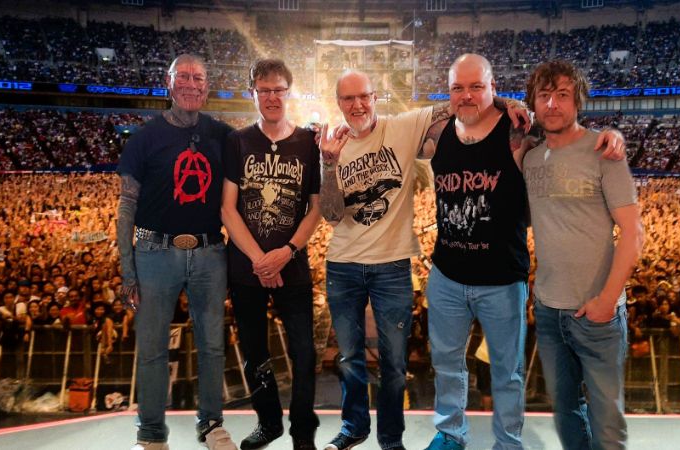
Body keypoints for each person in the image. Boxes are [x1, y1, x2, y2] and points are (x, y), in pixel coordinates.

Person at [418, 55, 625, 450]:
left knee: (507, 371)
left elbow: (566, 135)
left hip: (502, 279)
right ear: (448, 92)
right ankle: (450, 434)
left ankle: (508, 442)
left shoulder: (519, 133)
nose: (466, 95)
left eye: (477, 87)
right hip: (446, 275)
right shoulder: (437, 131)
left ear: (493, 87)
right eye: (458, 88)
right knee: (446, 362)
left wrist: (612, 135)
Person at [317, 68, 529, 450]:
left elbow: (460, 103)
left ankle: (391, 439)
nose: (357, 105)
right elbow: (331, 215)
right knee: (349, 358)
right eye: (348, 98)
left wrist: (504, 101)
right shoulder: (333, 146)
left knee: (395, 364)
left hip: (393, 264)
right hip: (344, 265)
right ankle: (354, 427)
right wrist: (329, 164)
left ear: (375, 97)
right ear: (339, 103)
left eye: (364, 96)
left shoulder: (404, 126)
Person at [116, 53, 235, 450]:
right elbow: (126, 206)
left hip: (209, 252)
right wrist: (127, 271)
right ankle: (151, 435)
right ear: (168, 82)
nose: (190, 84)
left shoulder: (223, 135)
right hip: (154, 253)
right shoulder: (144, 137)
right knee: (152, 350)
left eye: (198, 78)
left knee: (213, 346)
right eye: (182, 76)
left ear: (207, 86)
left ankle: (212, 425)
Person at [523, 60, 643, 450]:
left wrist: (607, 301)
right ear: (532, 103)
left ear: (578, 101)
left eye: (562, 95)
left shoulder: (604, 152)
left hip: (597, 314)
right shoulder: (529, 158)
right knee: (566, 412)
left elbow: (633, 233)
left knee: (607, 422)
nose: (552, 104)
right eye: (544, 95)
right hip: (549, 310)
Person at [221, 58, 321, 450]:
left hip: (292, 265)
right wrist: (261, 261)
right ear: (253, 94)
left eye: (278, 89)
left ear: (289, 92)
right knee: (255, 352)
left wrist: (286, 251)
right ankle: (268, 423)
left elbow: (315, 209)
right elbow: (228, 208)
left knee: (304, 353)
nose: (272, 97)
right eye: (264, 90)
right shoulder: (237, 141)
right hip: (247, 268)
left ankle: (302, 431)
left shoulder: (308, 143)